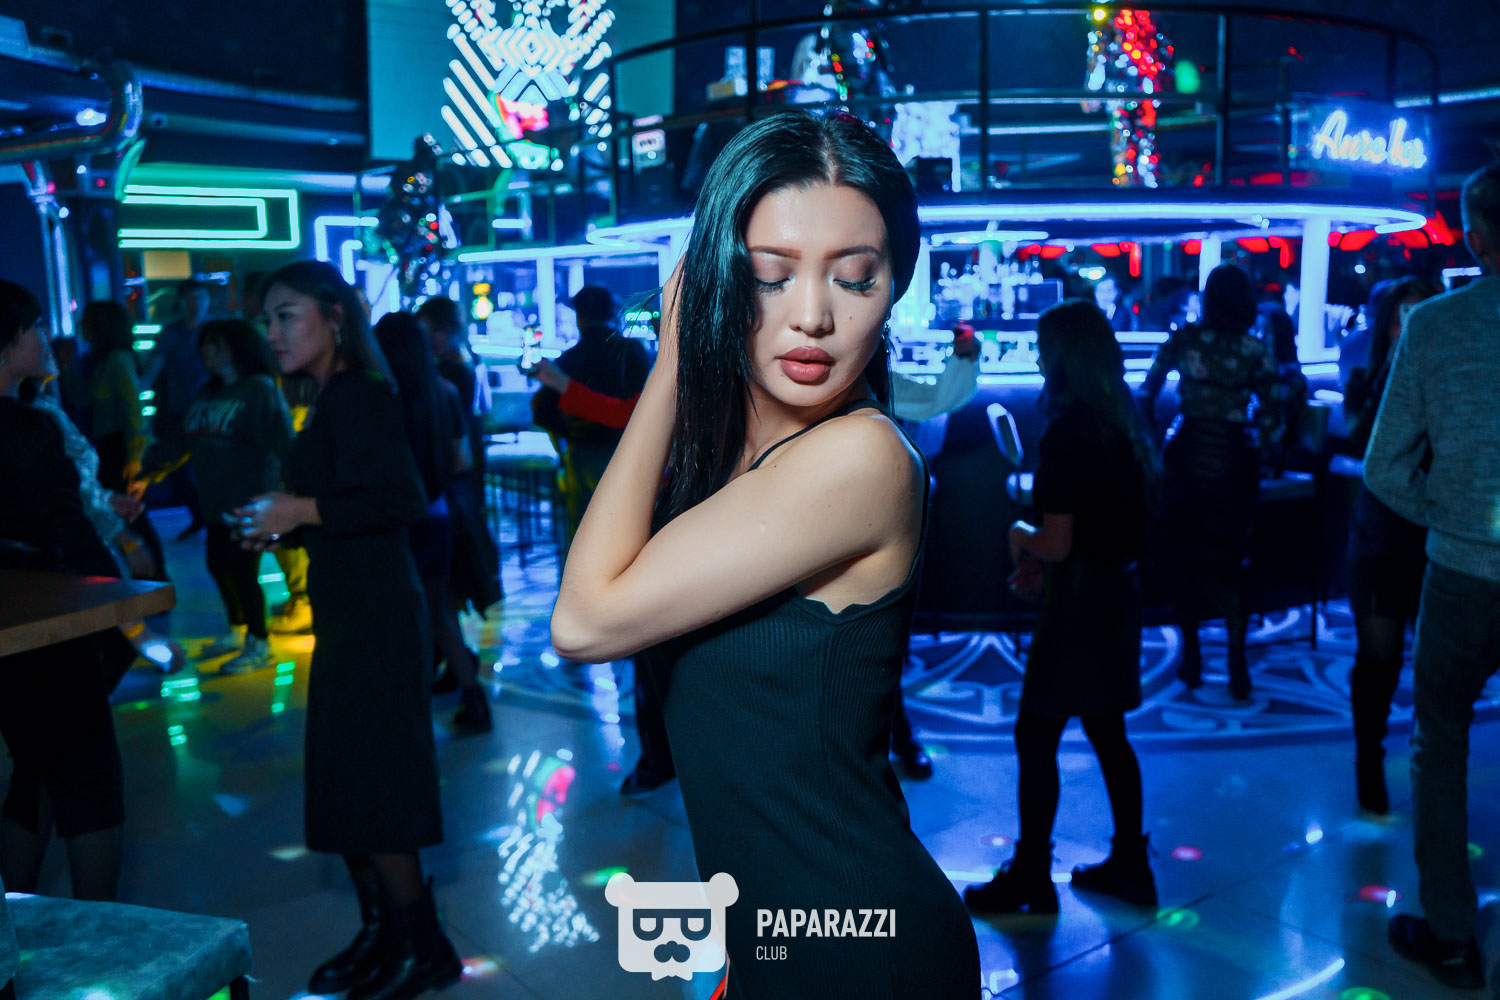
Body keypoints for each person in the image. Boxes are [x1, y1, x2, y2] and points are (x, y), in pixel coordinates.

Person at [550, 109, 980, 998]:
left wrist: (670, 363)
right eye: (769, 277)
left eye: (855, 278)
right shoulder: (735, 458)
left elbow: (584, 620)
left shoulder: (860, 459)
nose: (813, 316)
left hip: (859, 947)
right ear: (718, 279)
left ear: (893, 287)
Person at [237, 260, 460, 996]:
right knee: (348, 783)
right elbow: (350, 499)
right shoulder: (330, 395)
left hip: (377, 619)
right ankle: (384, 934)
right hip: (351, 612)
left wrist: (298, 511)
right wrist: (285, 523)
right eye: (267, 320)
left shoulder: (361, 392)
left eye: (286, 315)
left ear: (335, 317)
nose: (273, 333)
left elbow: (400, 498)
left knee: (376, 786)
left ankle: (422, 948)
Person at [962, 300, 1157, 915]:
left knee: (1036, 732)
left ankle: (1031, 875)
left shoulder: (1068, 432)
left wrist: (1017, 535)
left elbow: (1057, 541)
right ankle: (1130, 864)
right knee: (1108, 731)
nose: (1040, 361)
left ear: (1064, 358)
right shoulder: (1124, 420)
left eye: (1045, 350)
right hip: (1117, 594)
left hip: (1079, 606)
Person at [1366, 163, 1500, 992]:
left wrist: (1449, 514)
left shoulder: (1436, 325)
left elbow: (1384, 466)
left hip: (1461, 573)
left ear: (1476, 238)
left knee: (1441, 742)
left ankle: (1451, 936)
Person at [0, 279, 129, 901]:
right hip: (53, 621)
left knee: (34, 770)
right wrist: (127, 611)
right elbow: (68, 531)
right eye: (34, 327)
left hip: (9, 632)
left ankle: (13, 926)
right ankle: (98, 936)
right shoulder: (26, 429)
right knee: (89, 779)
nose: (45, 337)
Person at [1141, 263, 1277, 701]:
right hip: (1236, 459)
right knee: (1231, 564)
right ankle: (1237, 664)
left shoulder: (1185, 339)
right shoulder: (1256, 350)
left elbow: (1147, 390)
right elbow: (1273, 411)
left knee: (1183, 558)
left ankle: (1192, 659)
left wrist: (1149, 441)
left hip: (1186, 452)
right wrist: (1266, 450)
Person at [137, 319, 294, 673]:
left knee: (242, 569)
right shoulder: (207, 392)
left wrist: (290, 494)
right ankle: (238, 629)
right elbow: (183, 441)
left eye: (214, 344)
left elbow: (283, 441)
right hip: (215, 500)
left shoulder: (258, 388)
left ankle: (259, 642)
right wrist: (148, 469)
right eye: (204, 344)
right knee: (218, 565)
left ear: (235, 348)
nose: (206, 351)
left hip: (249, 499)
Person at [1341, 276, 1440, 815]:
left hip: (1435, 527)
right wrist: (1392, 373)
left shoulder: (1450, 381)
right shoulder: (1366, 379)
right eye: (1404, 318)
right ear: (1387, 326)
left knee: (1435, 658)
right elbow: (1362, 441)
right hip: (1380, 529)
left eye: (1423, 316)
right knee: (1379, 658)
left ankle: (1432, 757)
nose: (1412, 328)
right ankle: (1369, 757)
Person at [374, 311, 492, 732]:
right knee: (441, 612)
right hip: (439, 515)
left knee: (406, 617)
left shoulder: (383, 399)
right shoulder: (444, 390)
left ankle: (408, 712)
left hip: (398, 521)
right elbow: (462, 460)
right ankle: (473, 697)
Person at [531, 284, 651, 542]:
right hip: (630, 452)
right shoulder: (633, 351)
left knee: (584, 534)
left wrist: (569, 433)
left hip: (583, 454)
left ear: (579, 317)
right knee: (630, 533)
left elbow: (542, 411)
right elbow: (641, 407)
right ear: (612, 313)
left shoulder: (568, 360)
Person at [414, 295, 502, 622]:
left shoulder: (448, 373)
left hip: (457, 463)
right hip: (468, 456)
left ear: (446, 331)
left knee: (460, 534)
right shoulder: (465, 361)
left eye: (429, 332)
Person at [144, 278, 212, 540]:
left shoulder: (214, 329)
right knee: (179, 472)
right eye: (191, 298)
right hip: (181, 411)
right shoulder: (170, 333)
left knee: (204, 468)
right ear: (181, 302)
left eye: (201, 298)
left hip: (210, 411)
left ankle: (206, 518)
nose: (196, 304)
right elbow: (154, 367)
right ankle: (200, 516)